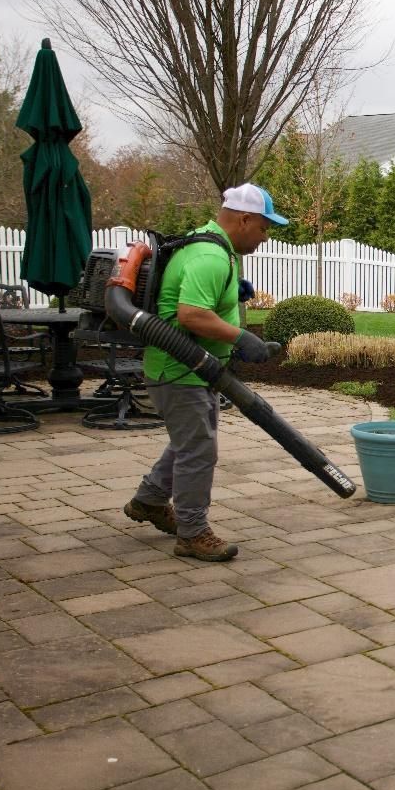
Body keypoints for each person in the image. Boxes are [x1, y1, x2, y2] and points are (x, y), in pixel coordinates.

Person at [122, 183, 284, 561]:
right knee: (198, 449)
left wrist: (230, 293)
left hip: (191, 370)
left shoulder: (205, 244)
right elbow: (190, 315)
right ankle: (192, 533)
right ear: (244, 219)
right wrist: (243, 338)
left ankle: (148, 500)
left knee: (190, 440)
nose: (265, 237)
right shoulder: (211, 256)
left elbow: (194, 297)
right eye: (264, 227)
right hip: (180, 370)